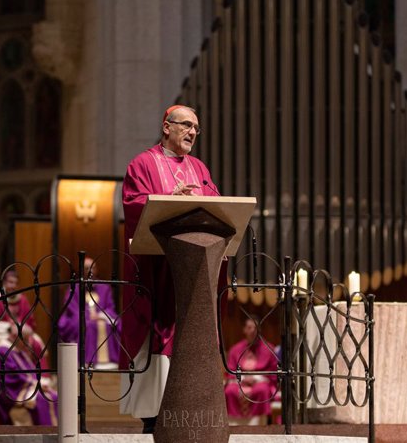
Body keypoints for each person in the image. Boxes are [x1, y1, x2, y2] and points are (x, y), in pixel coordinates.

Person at [119, 105, 222, 433]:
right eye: (187, 125)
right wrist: (166, 198)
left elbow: (217, 205)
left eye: (196, 128)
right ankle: (153, 418)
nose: (192, 132)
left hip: (191, 275)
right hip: (156, 270)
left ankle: (191, 413)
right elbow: (134, 203)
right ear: (167, 126)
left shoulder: (199, 168)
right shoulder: (143, 164)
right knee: (155, 335)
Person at [0, 323, 58, 425]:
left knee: (54, 396)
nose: (27, 343)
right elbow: (11, 379)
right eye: (24, 339)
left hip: (27, 388)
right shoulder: (2, 352)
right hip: (14, 394)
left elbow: (30, 372)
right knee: (42, 399)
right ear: (14, 336)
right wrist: (36, 385)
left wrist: (40, 383)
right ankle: (41, 435)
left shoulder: (18, 351)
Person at [58, 257, 120, 368]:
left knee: (109, 325)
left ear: (96, 270)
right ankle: (86, 361)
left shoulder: (104, 288)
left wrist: (100, 315)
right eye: (87, 268)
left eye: (93, 268)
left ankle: (109, 362)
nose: (90, 271)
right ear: (81, 271)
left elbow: (111, 307)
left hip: (101, 319)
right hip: (81, 318)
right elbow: (72, 309)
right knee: (87, 325)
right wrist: (87, 317)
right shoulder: (74, 288)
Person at [224, 317, 279, 424]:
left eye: (255, 328)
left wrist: (256, 378)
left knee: (262, 390)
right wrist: (243, 378)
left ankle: (258, 426)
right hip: (239, 381)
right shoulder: (235, 349)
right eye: (249, 327)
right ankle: (234, 426)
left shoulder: (269, 349)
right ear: (244, 330)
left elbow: (273, 373)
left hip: (260, 381)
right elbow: (230, 371)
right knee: (229, 391)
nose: (253, 330)